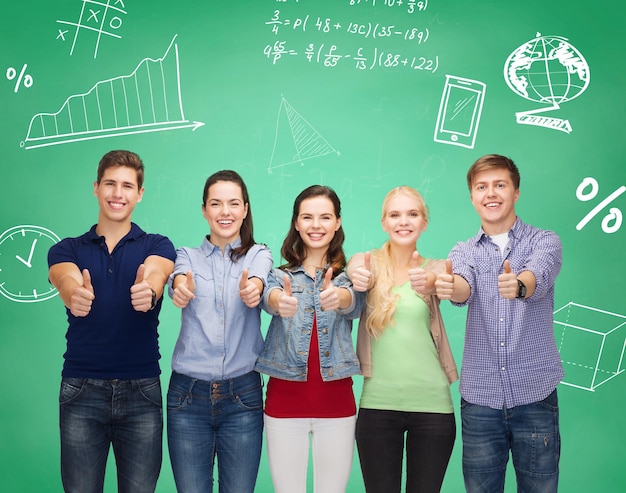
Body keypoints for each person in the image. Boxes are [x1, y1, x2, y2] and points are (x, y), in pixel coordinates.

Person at [47, 150, 176, 493]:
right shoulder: (67, 249)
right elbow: (64, 279)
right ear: (96, 188)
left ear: (139, 194)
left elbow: (157, 272)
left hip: (141, 392)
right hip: (81, 391)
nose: (118, 193)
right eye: (110, 184)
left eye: (127, 186)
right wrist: (74, 294)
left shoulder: (157, 244)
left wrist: (149, 288)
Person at [435, 154, 563, 493]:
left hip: (534, 394)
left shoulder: (544, 240)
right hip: (480, 400)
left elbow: (540, 272)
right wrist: (450, 287)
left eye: (499, 185)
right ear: (473, 196)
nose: (490, 194)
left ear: (516, 192)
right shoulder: (463, 250)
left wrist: (520, 285)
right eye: (482, 187)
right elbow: (462, 284)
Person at [166, 170, 272, 493]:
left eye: (233, 204)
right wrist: (180, 288)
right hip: (187, 398)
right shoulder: (187, 255)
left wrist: (253, 290)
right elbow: (179, 279)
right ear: (204, 210)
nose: (225, 212)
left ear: (245, 209)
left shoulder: (258, 253)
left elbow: (258, 279)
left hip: (243, 397)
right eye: (216, 204)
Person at [347, 186, 458, 493]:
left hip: (433, 408)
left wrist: (436, 281)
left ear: (424, 222)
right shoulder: (366, 262)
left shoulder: (434, 268)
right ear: (384, 222)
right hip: (377, 406)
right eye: (395, 214)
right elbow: (354, 272)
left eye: (412, 214)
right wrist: (359, 278)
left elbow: (450, 282)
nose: (403, 221)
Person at [254, 185, 362, 493]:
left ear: (337, 222)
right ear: (297, 223)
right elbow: (268, 297)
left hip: (337, 404)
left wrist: (339, 297)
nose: (316, 225)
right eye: (308, 217)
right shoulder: (278, 275)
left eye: (325, 217)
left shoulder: (351, 276)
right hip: (284, 404)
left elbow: (354, 302)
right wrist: (278, 302)